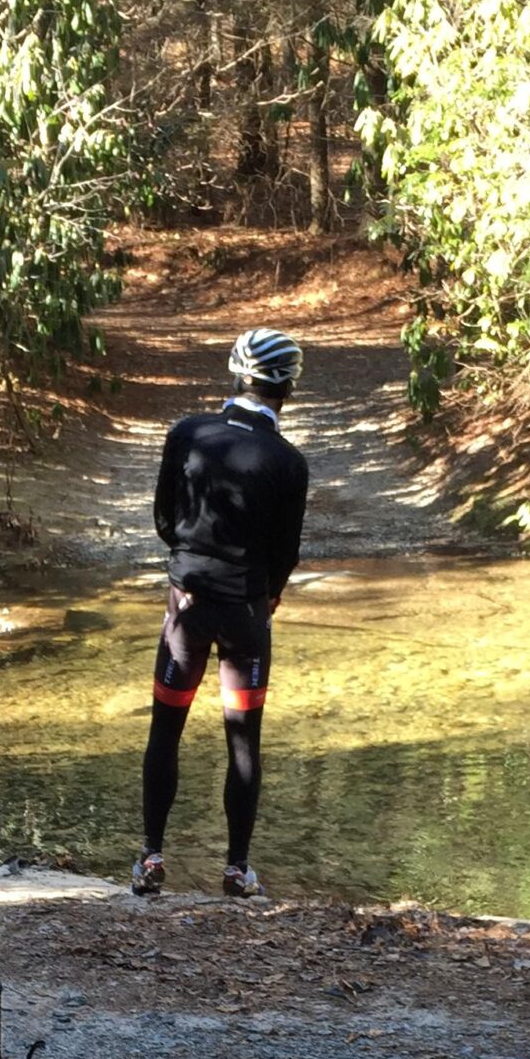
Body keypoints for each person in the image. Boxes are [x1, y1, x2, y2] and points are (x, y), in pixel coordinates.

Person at [132, 327, 309, 898]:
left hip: (185, 607)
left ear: (235, 374)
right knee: (242, 740)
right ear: (288, 389)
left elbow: (164, 521)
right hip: (246, 616)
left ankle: (151, 860)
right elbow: (286, 553)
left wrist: (188, 565)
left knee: (166, 730)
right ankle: (236, 871)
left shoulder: (187, 434)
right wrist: (266, 596)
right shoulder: (288, 462)